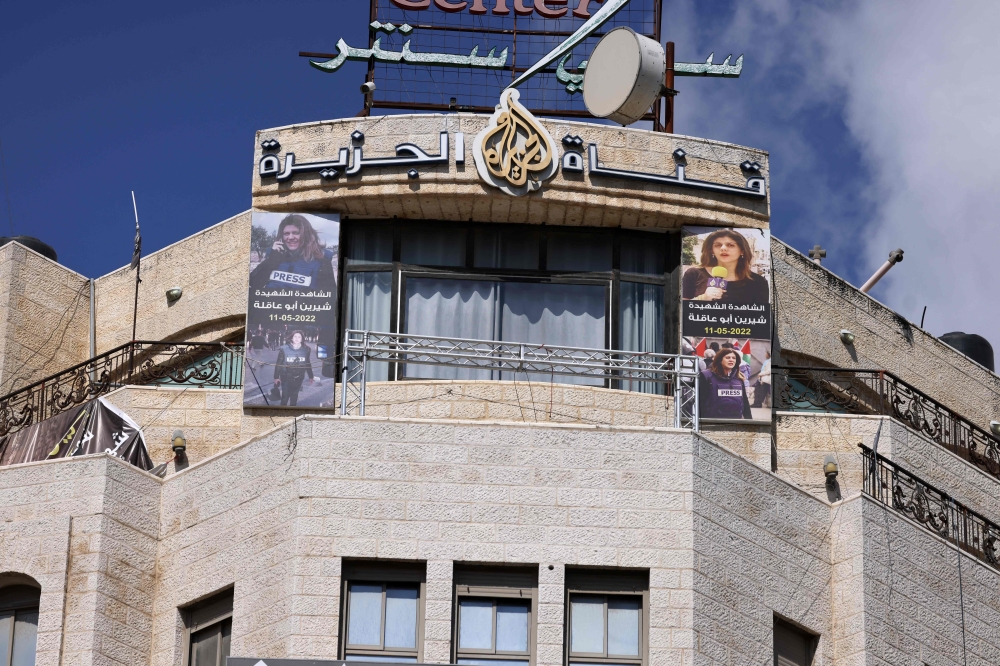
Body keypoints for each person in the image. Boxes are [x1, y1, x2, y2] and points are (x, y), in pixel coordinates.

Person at [249, 214, 337, 292]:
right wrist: (272, 258)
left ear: (306, 235)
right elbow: (253, 284)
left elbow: (329, 297)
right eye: (286, 234)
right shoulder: (274, 255)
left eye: (296, 233)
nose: (290, 237)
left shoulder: (322, 258)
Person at [682, 229, 769, 305]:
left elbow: (761, 316)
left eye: (730, 245)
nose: (723, 248)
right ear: (712, 250)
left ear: (742, 251)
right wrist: (703, 298)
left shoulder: (758, 282)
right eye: (718, 245)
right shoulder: (693, 274)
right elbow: (680, 311)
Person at [698, 348, 752, 419]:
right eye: (727, 357)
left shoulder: (739, 378)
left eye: (734, 358)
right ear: (720, 360)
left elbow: (745, 402)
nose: (731, 360)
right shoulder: (706, 376)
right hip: (712, 422)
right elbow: (700, 402)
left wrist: (749, 421)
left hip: (735, 422)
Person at [274, 330, 320, 406]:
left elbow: (307, 363)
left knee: (294, 396)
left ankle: (292, 413)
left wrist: (311, 376)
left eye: (299, 337)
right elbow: (278, 364)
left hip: (299, 377)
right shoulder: (284, 349)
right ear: (291, 338)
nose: (297, 338)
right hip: (285, 377)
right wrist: (276, 377)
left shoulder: (306, 350)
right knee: (285, 396)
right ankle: (282, 413)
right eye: (295, 336)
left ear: (302, 339)